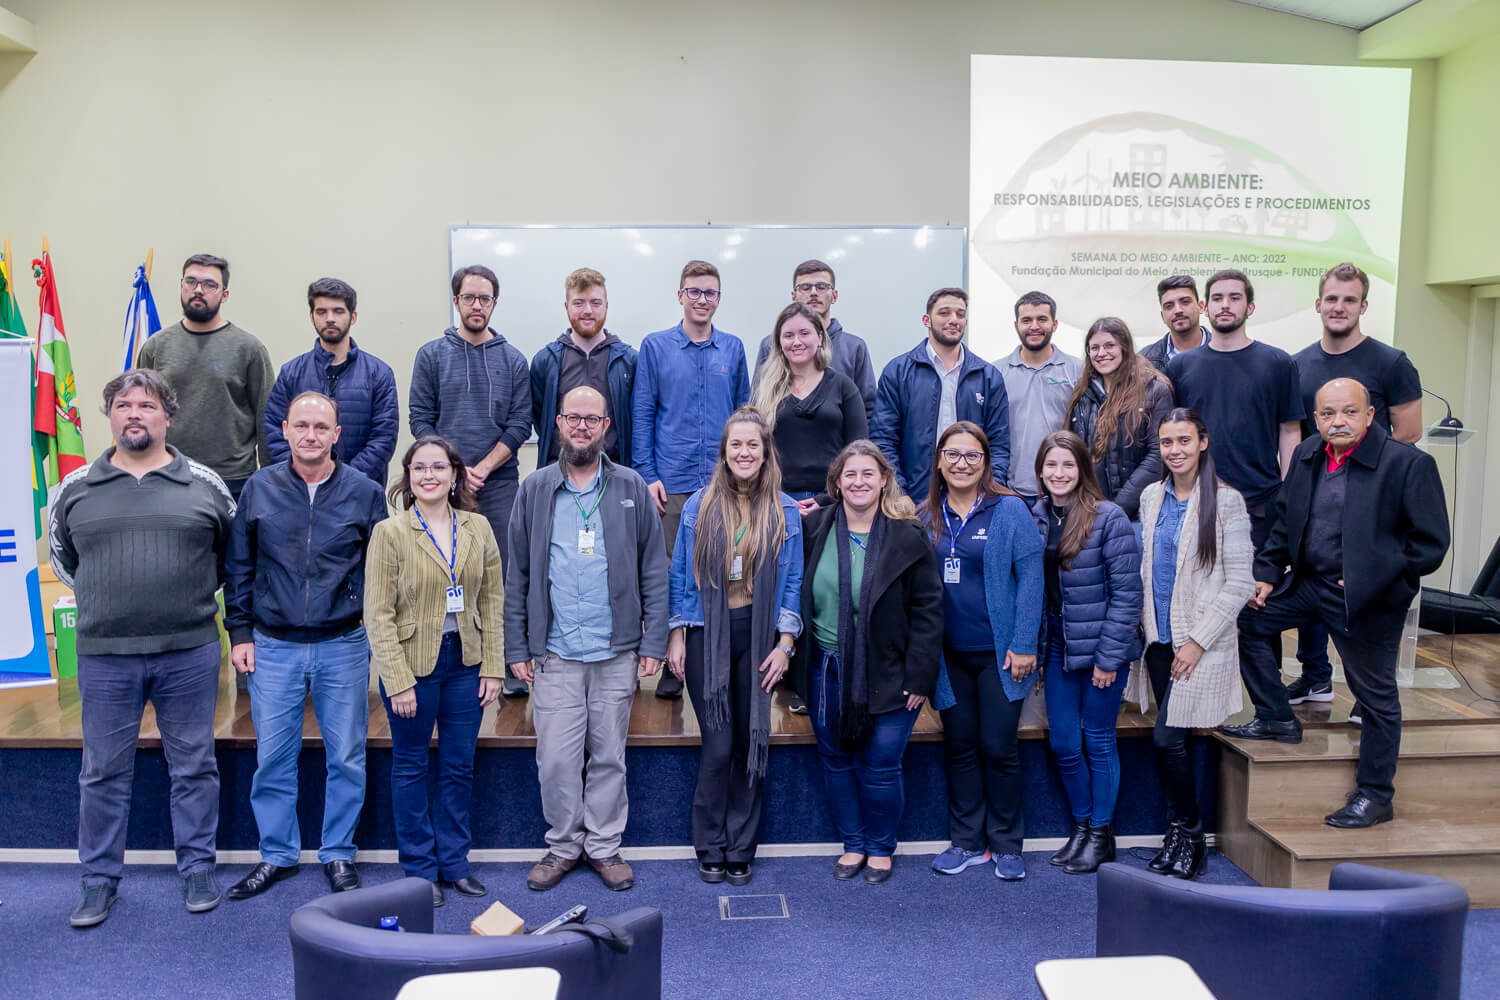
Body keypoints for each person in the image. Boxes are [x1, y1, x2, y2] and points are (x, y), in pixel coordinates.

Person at [49, 369, 236, 928]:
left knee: (194, 765)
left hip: (189, 650)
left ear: (167, 417)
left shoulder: (205, 484)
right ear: (111, 416)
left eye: (147, 405)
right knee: (102, 770)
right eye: (124, 405)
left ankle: (198, 868)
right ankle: (99, 881)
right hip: (105, 654)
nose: (135, 413)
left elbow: (226, 559)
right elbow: (65, 561)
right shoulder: (74, 487)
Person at [1226, 380, 1449, 828]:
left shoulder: (1408, 465)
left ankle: (1375, 795)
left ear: (1370, 416)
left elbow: (1430, 545)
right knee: (1249, 622)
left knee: (1375, 697)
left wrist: (1374, 572)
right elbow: (1283, 523)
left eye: (1349, 412)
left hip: (1368, 599)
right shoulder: (1310, 454)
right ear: (1317, 418)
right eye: (1327, 414)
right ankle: (1275, 716)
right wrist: (1268, 574)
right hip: (1311, 585)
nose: (1337, 422)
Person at [223, 392, 389, 899]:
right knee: (273, 757)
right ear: (286, 431)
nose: (311, 434)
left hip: (343, 643)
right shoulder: (259, 488)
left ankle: (337, 853)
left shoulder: (364, 491)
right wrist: (241, 633)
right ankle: (277, 854)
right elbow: (239, 567)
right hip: (272, 645)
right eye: (302, 426)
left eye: (322, 426)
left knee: (346, 755)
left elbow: (381, 568)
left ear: (337, 434)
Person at [505, 387, 668, 894]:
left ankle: (602, 846)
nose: (581, 426)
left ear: (605, 426)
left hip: (615, 650)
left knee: (608, 755)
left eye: (591, 419)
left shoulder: (631, 487)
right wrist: (516, 646)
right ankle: (562, 845)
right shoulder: (535, 489)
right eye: (572, 417)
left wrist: (654, 642)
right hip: (553, 651)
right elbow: (519, 575)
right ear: (557, 422)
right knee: (555, 758)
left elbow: (654, 571)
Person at [793, 441, 943, 884]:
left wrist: (920, 676)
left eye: (867, 474)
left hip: (892, 672)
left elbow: (929, 612)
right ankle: (853, 843)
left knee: (880, 765)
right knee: (836, 760)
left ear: (882, 481)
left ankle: (880, 848)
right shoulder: (815, 527)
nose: (858, 482)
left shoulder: (907, 534)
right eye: (850, 475)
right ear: (836, 483)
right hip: (826, 669)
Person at [365, 436, 506, 907]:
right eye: (419, 467)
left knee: (458, 767)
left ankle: (455, 863)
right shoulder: (390, 533)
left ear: (454, 474)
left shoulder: (478, 527)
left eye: (438, 467)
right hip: (412, 665)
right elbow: (378, 613)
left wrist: (493, 666)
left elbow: (493, 600)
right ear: (408, 476)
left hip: (465, 663)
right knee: (410, 766)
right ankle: (420, 872)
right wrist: (397, 679)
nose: (429, 475)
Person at [666, 407, 803, 886]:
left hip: (761, 636)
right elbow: (681, 575)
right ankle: (710, 843)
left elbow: (793, 583)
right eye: (735, 445)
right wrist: (677, 634)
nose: (744, 453)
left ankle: (741, 847)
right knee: (719, 745)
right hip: (708, 632)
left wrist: (786, 643)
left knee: (750, 742)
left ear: (765, 454)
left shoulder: (784, 510)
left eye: (753, 445)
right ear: (723, 453)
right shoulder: (698, 506)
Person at [1165, 270, 1302, 733]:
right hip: (1198, 506)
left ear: (1250, 306)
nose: (1226, 304)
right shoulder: (1183, 368)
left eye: (1235, 297)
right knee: (1202, 606)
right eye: (1217, 298)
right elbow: (1175, 437)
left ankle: (1270, 709)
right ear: (1206, 307)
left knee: (1254, 611)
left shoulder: (1278, 363)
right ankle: (1200, 701)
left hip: (1260, 505)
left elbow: (1289, 433)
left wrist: (1288, 496)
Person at [1283, 263, 1423, 708]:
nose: (1339, 307)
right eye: (1331, 299)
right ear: (1318, 304)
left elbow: (1409, 432)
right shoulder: (1298, 364)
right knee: (1310, 574)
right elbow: (1300, 433)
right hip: (1317, 496)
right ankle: (1315, 676)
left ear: (1363, 306)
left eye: (1349, 300)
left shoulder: (1391, 363)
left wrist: (1361, 475)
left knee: (1361, 593)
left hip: (1372, 502)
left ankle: (1369, 696)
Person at [1124, 409, 1254, 879]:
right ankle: (1176, 834)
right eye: (1166, 443)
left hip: (1199, 643)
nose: (1174, 450)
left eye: (1184, 440)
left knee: (1168, 739)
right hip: (1158, 640)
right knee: (1168, 742)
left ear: (1203, 442)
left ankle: (1193, 835)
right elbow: (1147, 569)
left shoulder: (1227, 501)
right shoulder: (1151, 496)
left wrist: (1198, 641)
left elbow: (1239, 582)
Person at [922, 422, 1043, 882]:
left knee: (998, 747)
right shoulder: (926, 513)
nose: (962, 464)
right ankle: (967, 841)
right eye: (953, 454)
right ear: (939, 460)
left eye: (972, 456)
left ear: (985, 462)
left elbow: (1031, 577)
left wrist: (1024, 643)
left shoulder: (1009, 510)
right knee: (961, 748)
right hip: (947, 658)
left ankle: (1008, 844)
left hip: (1001, 655)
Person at [409, 264, 531, 696]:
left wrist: (481, 469)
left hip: (497, 486)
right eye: (468, 297)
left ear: (494, 303)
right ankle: (446, 662)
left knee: (500, 576)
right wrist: (452, 472)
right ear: (456, 301)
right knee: (437, 571)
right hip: (441, 486)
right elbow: (420, 420)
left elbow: (520, 425)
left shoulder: (514, 359)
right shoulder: (431, 355)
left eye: (485, 298)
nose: (476, 305)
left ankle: (507, 667)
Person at [632, 260, 750, 698]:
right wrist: (647, 474)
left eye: (710, 293)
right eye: (694, 292)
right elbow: (642, 413)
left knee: (724, 570)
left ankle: (716, 656)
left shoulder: (733, 349)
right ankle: (669, 661)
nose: (702, 300)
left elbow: (745, 417)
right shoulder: (656, 347)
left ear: (719, 299)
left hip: (724, 484)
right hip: (672, 481)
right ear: (680, 295)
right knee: (671, 574)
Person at [1033, 430, 1142, 875]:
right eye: (1051, 465)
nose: (1059, 474)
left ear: (1082, 470)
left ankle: (1101, 833)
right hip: (1058, 642)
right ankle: (1080, 827)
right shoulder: (1036, 514)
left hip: (1101, 646)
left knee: (1097, 740)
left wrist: (1108, 658)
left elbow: (1127, 596)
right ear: (1040, 471)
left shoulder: (1108, 517)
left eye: (1068, 465)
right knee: (1063, 741)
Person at [136, 252, 274, 501]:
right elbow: (140, 413)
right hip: (169, 475)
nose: (198, 290)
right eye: (191, 282)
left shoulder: (249, 349)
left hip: (232, 481)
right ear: (181, 286)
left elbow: (267, 419)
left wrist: (271, 481)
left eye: (210, 284)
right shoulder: (156, 347)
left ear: (225, 294)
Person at [871, 288, 1010, 500]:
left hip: (973, 498)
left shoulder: (988, 376)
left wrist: (990, 491)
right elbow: (883, 439)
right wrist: (898, 491)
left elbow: (998, 444)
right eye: (944, 313)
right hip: (914, 497)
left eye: (960, 314)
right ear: (927, 320)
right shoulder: (898, 372)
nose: (954, 320)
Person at [263, 277, 399, 486]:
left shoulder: (379, 374)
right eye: (321, 312)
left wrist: (343, 480)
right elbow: (274, 430)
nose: (329, 318)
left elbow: (384, 438)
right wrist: (302, 475)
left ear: (353, 317)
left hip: (359, 491)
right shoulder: (291, 372)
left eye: (338, 311)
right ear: (311, 317)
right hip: (300, 490)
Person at [750, 302, 868, 513]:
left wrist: (827, 499)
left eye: (804, 333)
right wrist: (778, 500)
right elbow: (756, 452)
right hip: (776, 505)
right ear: (778, 341)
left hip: (834, 504)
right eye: (788, 335)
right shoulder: (765, 391)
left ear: (820, 338)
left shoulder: (843, 387)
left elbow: (858, 451)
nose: (796, 342)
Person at [1064, 317, 1175, 520]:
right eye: (1094, 347)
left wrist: (1117, 509)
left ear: (1125, 347)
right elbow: (1072, 450)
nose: (1102, 353)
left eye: (1109, 345)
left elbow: (1157, 455)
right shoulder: (1082, 394)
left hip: (1137, 515)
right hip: (1088, 512)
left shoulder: (1154, 389)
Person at [531, 267, 638, 468]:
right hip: (559, 472)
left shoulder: (629, 361)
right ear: (566, 306)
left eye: (595, 303)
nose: (587, 310)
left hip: (615, 473)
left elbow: (637, 422)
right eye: (578, 303)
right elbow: (540, 418)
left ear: (606, 306)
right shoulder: (546, 361)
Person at [752, 259, 876, 419]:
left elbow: (868, 410)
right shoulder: (771, 345)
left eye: (822, 287)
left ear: (834, 295)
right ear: (794, 296)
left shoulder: (854, 347)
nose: (813, 293)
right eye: (805, 287)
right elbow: (758, 403)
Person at [998, 291, 1081, 504]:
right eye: (1027, 320)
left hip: (1064, 489)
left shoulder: (1078, 371)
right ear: (1016, 325)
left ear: (1054, 324)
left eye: (1042, 319)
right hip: (1011, 492)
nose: (1034, 326)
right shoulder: (997, 372)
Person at [1141, 275, 1211, 373]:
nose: (1178, 310)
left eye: (1185, 302)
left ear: (1201, 307)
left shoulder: (1226, 351)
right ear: (1163, 316)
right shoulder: (1145, 360)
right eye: (1169, 306)